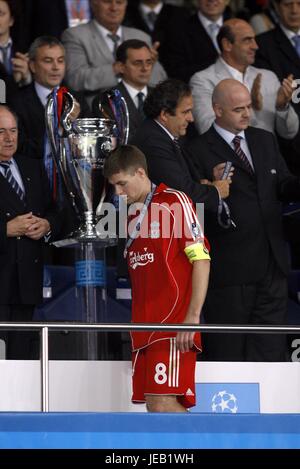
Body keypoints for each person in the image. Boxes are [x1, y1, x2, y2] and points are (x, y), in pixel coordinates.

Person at [187, 78, 300, 362]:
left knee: (270, 355)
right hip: (230, 272)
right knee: (230, 356)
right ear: (217, 110)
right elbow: (194, 208)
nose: (247, 114)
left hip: (272, 266)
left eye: (249, 106)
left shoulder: (265, 139)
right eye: (239, 109)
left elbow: (283, 184)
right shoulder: (197, 150)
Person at [103, 144, 210, 412]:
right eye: (114, 186)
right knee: (154, 405)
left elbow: (201, 258)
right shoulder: (128, 216)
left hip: (173, 326)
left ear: (140, 173)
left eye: (122, 184)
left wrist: (192, 318)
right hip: (143, 327)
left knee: (163, 403)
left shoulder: (175, 201)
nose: (118, 193)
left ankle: (201, 450)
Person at [0, 105, 62, 359]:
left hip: (26, 284)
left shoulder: (31, 167)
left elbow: (57, 213)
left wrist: (47, 225)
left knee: (21, 359)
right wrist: (4, 229)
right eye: (1, 131)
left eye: (13, 131)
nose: (9, 138)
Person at [133, 78, 231, 214]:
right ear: (165, 115)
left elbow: (182, 179)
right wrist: (215, 191)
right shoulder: (153, 142)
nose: (191, 118)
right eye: (185, 112)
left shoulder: (162, 134)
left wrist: (202, 183)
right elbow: (180, 193)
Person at [189, 19, 298, 138]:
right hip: (227, 156)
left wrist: (282, 107)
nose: (255, 46)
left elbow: (290, 132)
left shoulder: (268, 77)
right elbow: (206, 129)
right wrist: (249, 106)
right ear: (227, 44)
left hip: (267, 155)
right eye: (247, 40)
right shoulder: (203, 80)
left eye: (254, 39)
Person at [61, 0, 166, 104]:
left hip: (141, 110)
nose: (114, 8)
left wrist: (152, 64)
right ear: (93, 4)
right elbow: (75, 80)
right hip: (97, 112)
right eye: (107, 2)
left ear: (125, 5)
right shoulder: (75, 35)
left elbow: (161, 83)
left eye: (119, 2)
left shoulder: (141, 37)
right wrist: (115, 69)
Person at [255, 0, 300, 176]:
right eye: (288, 4)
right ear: (276, 7)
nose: (295, 10)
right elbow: (270, 98)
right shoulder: (263, 45)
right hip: (290, 143)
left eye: (298, 4)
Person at [92, 39, 153, 143]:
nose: (145, 68)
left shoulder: (161, 96)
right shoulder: (105, 100)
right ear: (121, 67)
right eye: (137, 63)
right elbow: (111, 140)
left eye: (148, 62)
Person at [163, 0, 231, 82]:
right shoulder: (178, 30)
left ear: (227, 1)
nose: (212, 0)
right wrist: (218, 62)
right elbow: (176, 72)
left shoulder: (239, 26)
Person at [0, 0, 31, 104]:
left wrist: (26, 77)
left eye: (1, 14)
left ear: (11, 20)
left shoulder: (26, 51)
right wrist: (14, 80)